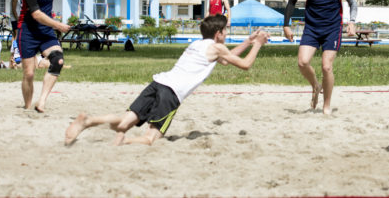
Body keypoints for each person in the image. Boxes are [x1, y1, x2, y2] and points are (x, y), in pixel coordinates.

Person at [65, 15, 269, 146]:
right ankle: (125, 142)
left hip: (158, 83)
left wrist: (248, 41)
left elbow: (225, 60)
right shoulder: (217, 47)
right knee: (150, 138)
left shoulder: (197, 44)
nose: (227, 33)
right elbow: (245, 65)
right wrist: (258, 44)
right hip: (171, 94)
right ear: (218, 34)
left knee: (125, 121)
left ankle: (89, 121)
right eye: (226, 31)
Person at [283, 0, 358, 115]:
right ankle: (316, 86)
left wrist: (352, 22)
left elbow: (352, 1)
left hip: (332, 27)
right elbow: (292, 0)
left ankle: (326, 106)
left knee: (326, 67)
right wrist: (286, 25)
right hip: (312, 26)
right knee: (302, 62)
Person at [18, 0, 71, 112]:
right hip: (28, 31)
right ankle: (27, 107)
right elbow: (36, 14)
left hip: (45, 32)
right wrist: (58, 25)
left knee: (58, 61)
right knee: (29, 74)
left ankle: (41, 102)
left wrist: (52, 25)